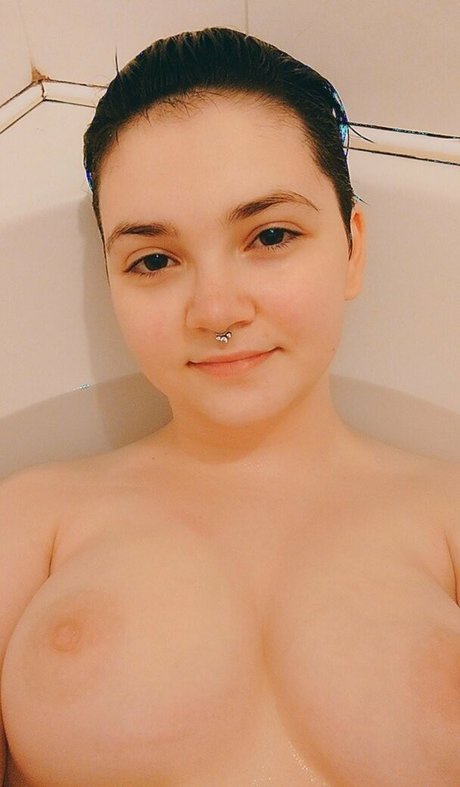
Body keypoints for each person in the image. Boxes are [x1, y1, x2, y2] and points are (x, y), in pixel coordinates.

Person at [1, 26, 459, 787]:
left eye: (270, 235)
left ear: (352, 248)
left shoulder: (449, 520)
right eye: (154, 259)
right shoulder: (32, 522)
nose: (216, 309)